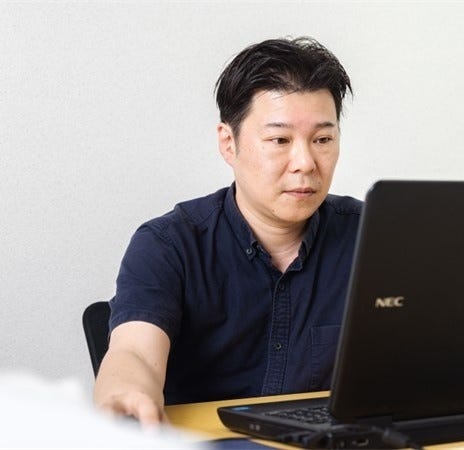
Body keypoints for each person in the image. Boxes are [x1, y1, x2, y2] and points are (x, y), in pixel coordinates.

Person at [94, 36, 362, 427]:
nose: (305, 163)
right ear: (228, 143)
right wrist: (126, 393)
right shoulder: (169, 245)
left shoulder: (375, 239)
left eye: (322, 139)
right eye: (279, 140)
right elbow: (133, 351)